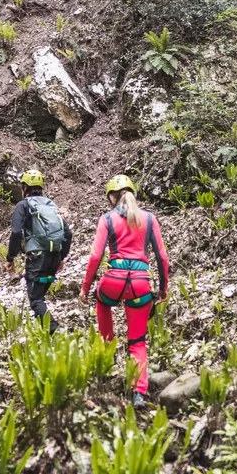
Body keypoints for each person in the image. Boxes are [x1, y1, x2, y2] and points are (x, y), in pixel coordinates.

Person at [81, 174, 170, 407]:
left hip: (113, 280)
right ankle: (138, 393)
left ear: (112, 197)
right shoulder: (149, 219)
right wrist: (163, 288)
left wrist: (85, 288)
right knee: (137, 341)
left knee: (102, 301)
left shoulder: (107, 219)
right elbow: (161, 257)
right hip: (141, 284)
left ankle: (108, 347)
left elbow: (95, 256)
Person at [7, 169, 73, 333]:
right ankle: (45, 330)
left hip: (37, 257)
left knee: (35, 299)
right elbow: (68, 233)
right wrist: (62, 257)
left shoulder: (23, 205)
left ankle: (56, 331)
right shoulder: (51, 204)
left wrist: (10, 258)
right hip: (54, 257)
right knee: (39, 294)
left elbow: (16, 232)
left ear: (24, 188)